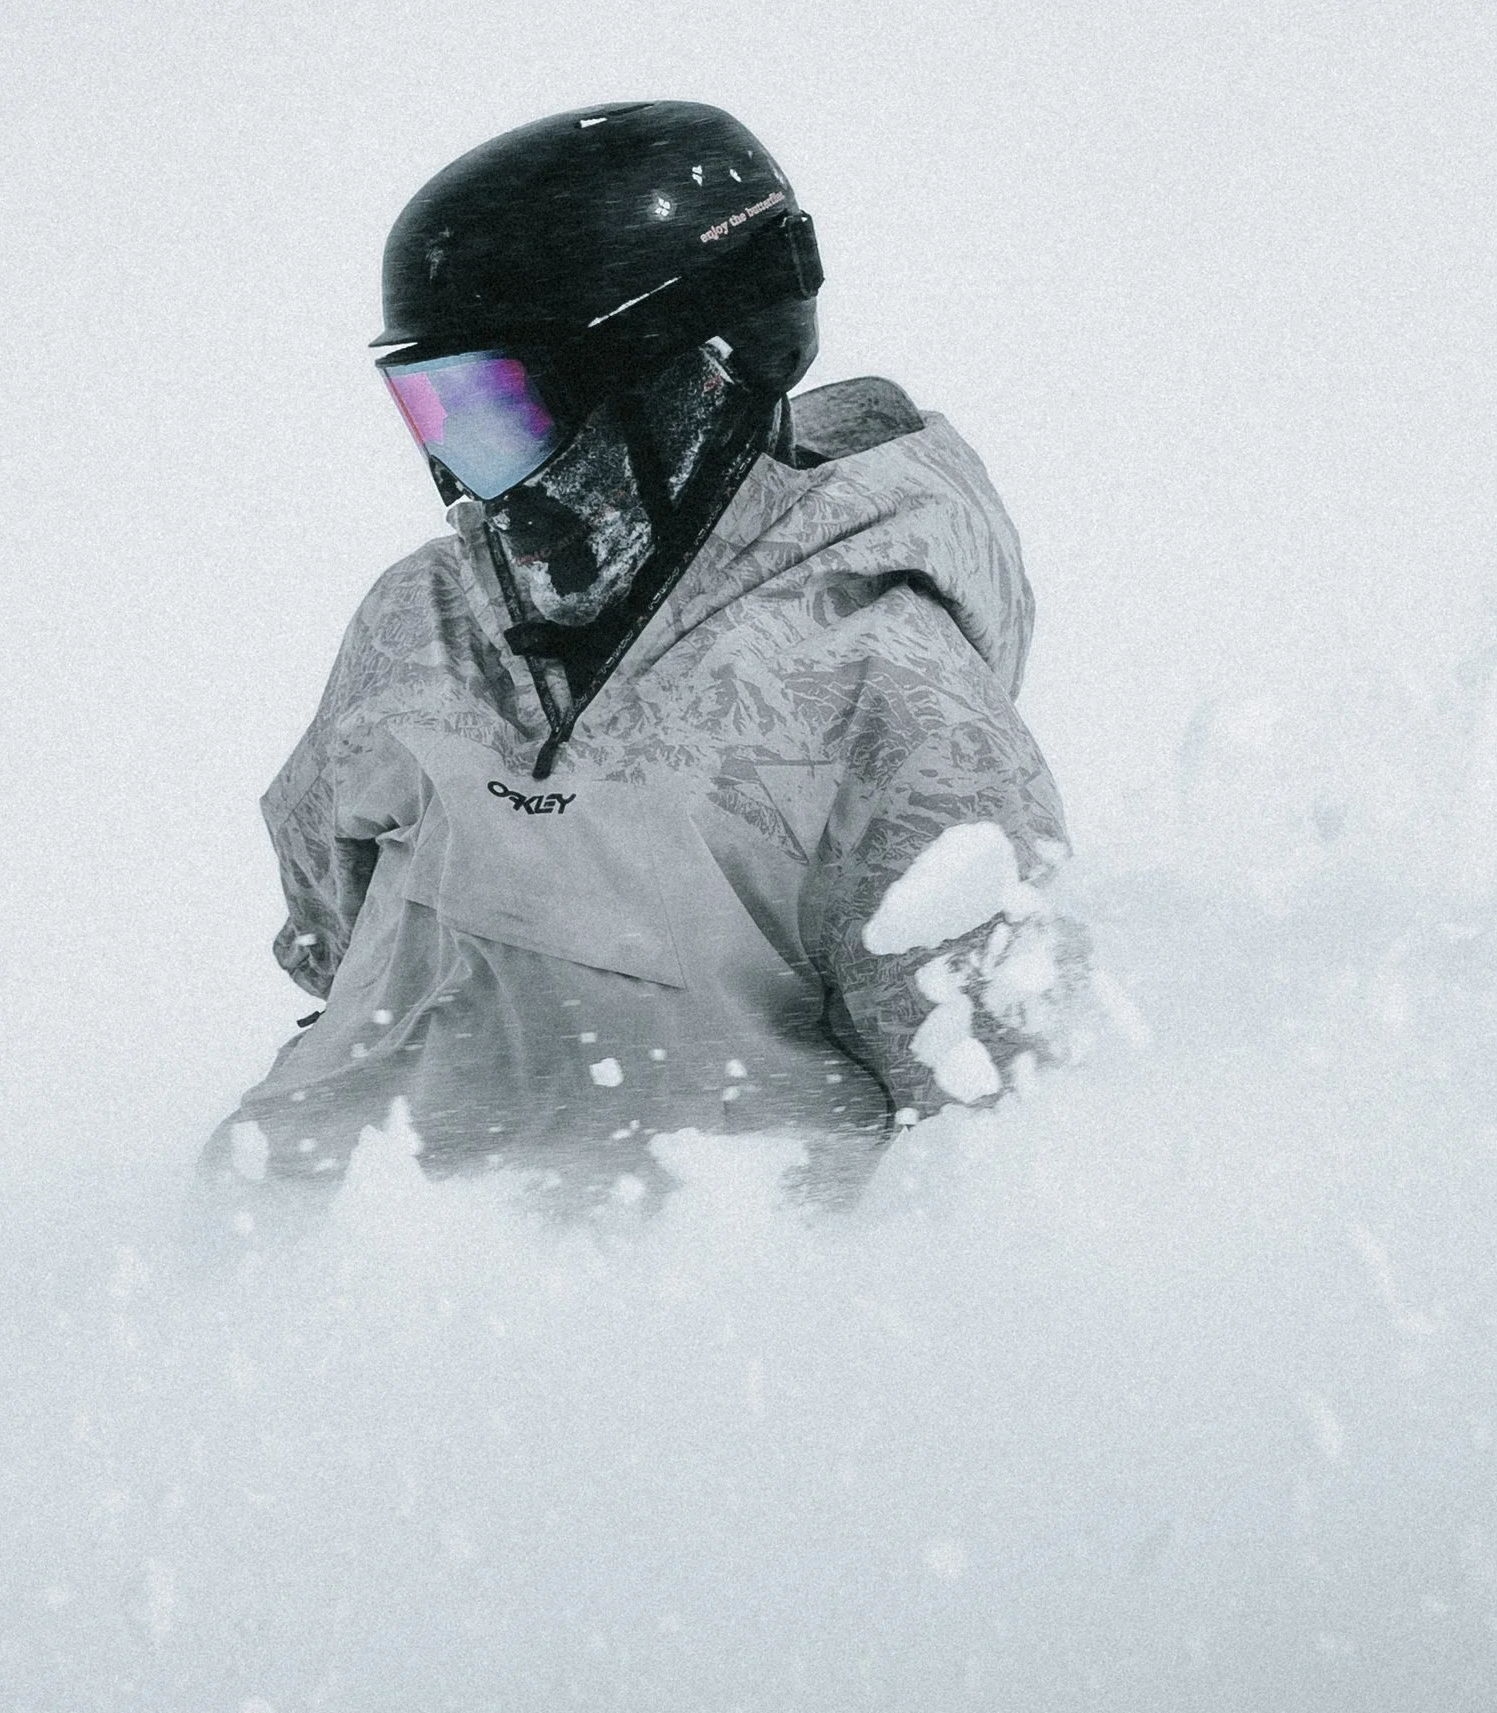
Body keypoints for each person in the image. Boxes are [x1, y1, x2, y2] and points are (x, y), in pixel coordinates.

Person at [212, 100, 1072, 1203]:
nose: (477, 482)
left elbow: (985, 1109)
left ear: (682, 383)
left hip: (654, 1318)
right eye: (439, 417)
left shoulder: (884, 689)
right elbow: (326, 927)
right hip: (311, 1265)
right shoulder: (421, 620)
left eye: (505, 412)